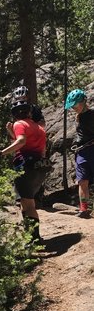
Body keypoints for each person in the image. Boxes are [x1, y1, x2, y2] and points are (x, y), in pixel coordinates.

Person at [0, 99, 47, 243]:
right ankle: (31, 237)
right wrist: (10, 131)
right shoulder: (38, 127)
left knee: (28, 204)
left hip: (24, 166)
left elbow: (21, 142)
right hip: (38, 167)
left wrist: (2, 152)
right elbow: (35, 145)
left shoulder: (19, 124)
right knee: (26, 203)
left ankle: (35, 238)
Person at [65, 88, 94, 218]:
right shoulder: (80, 117)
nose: (73, 108)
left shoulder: (91, 115)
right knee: (82, 181)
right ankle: (84, 209)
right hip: (82, 151)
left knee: (84, 181)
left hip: (90, 150)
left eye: (75, 105)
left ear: (82, 102)